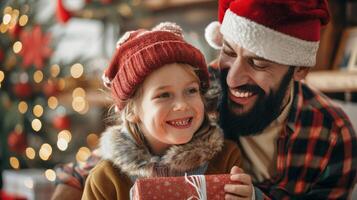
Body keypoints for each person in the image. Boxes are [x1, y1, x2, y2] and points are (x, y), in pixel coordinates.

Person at [52, 0, 357, 199]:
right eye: (228, 52)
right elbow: (96, 169)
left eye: (258, 63)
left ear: (300, 69)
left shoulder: (332, 135)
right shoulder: (194, 87)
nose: (233, 78)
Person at [76, 22, 254, 199]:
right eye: (164, 95)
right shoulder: (107, 179)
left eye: (191, 90)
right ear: (131, 111)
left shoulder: (226, 160)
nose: (182, 105)